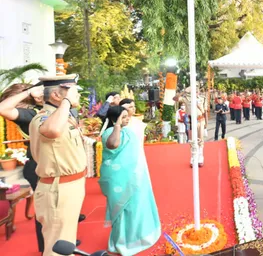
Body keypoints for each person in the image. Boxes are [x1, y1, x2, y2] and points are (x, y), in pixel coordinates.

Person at [29, 74, 86, 256]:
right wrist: (67, 101)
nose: (77, 97)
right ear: (56, 95)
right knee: (57, 248)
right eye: (73, 93)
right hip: (58, 189)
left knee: (66, 243)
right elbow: (51, 130)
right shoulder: (44, 118)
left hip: (69, 186)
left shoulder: (62, 116)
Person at [99, 106, 161, 255]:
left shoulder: (129, 132)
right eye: (123, 116)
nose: (127, 119)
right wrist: (117, 125)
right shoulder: (109, 133)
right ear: (115, 118)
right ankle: (122, 241)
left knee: (137, 207)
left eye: (127, 116)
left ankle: (139, 237)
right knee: (124, 209)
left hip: (136, 177)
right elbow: (113, 144)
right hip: (119, 180)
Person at [0, 83, 46, 251]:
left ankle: (55, 242)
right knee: (46, 212)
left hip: (39, 164)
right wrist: (28, 92)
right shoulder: (28, 114)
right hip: (38, 167)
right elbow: (3, 108)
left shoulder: (36, 111)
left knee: (49, 209)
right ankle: (47, 246)